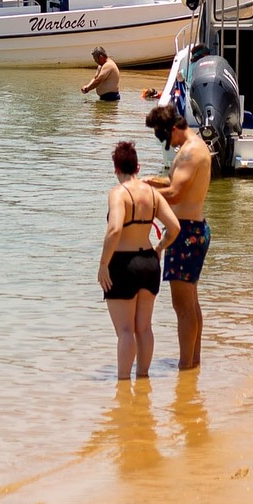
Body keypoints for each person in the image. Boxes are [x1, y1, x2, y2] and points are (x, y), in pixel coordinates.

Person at [98, 141, 180, 380]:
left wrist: (103, 265)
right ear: (138, 167)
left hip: (124, 264)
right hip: (149, 263)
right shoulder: (153, 194)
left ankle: (123, 383)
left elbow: (115, 229)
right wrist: (160, 248)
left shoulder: (118, 193)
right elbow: (174, 227)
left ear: (116, 169)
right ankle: (143, 378)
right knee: (144, 328)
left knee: (125, 331)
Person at [145, 103, 213, 371]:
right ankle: (193, 363)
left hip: (186, 233)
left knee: (182, 306)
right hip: (191, 230)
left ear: (174, 128)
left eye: (163, 135)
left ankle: (185, 368)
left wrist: (141, 195)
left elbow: (176, 194)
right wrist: (152, 181)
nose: (165, 142)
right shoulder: (192, 147)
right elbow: (176, 183)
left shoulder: (190, 152)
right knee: (190, 303)